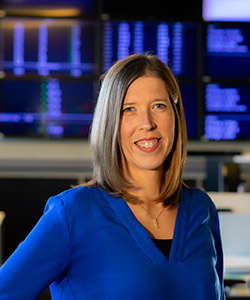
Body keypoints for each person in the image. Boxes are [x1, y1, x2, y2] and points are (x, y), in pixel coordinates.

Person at [0, 54, 225, 299]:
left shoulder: (201, 209)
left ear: (175, 114)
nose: (146, 123)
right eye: (128, 109)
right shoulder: (73, 212)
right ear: (110, 123)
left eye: (158, 106)